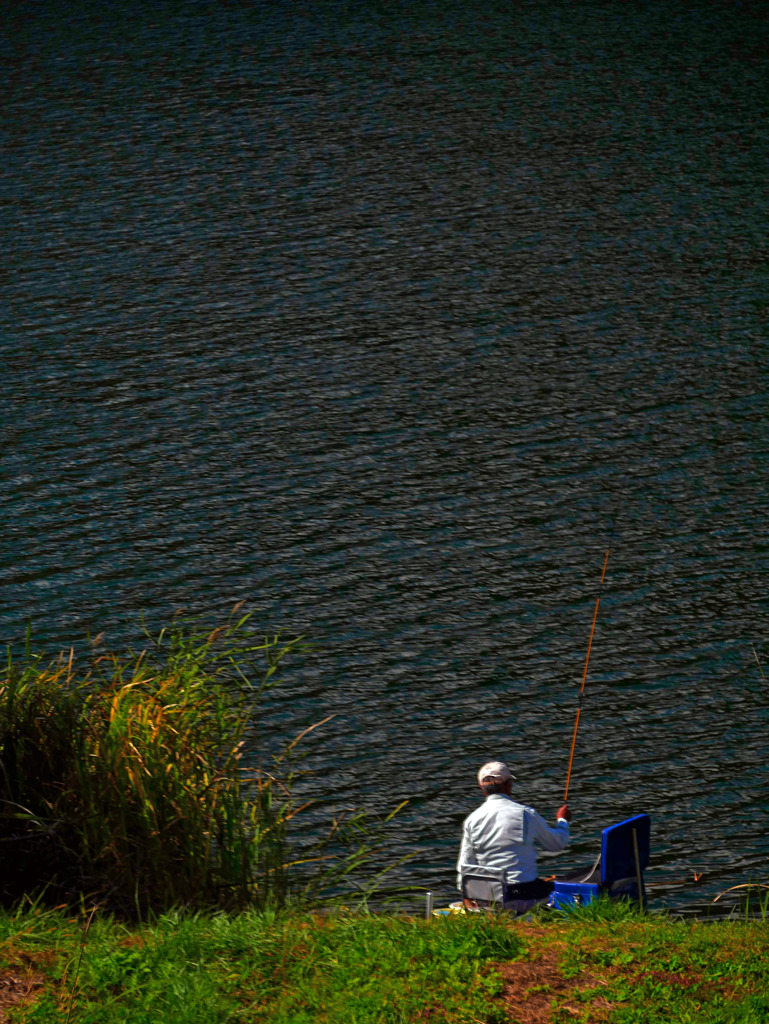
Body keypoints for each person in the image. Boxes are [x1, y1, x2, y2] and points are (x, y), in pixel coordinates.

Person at [457, 761, 572, 903]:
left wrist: (468, 900)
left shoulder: (472, 820)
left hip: (489, 899)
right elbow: (557, 843)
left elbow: (465, 865)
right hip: (524, 894)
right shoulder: (525, 813)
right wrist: (563, 821)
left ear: (482, 789)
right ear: (508, 785)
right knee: (568, 890)